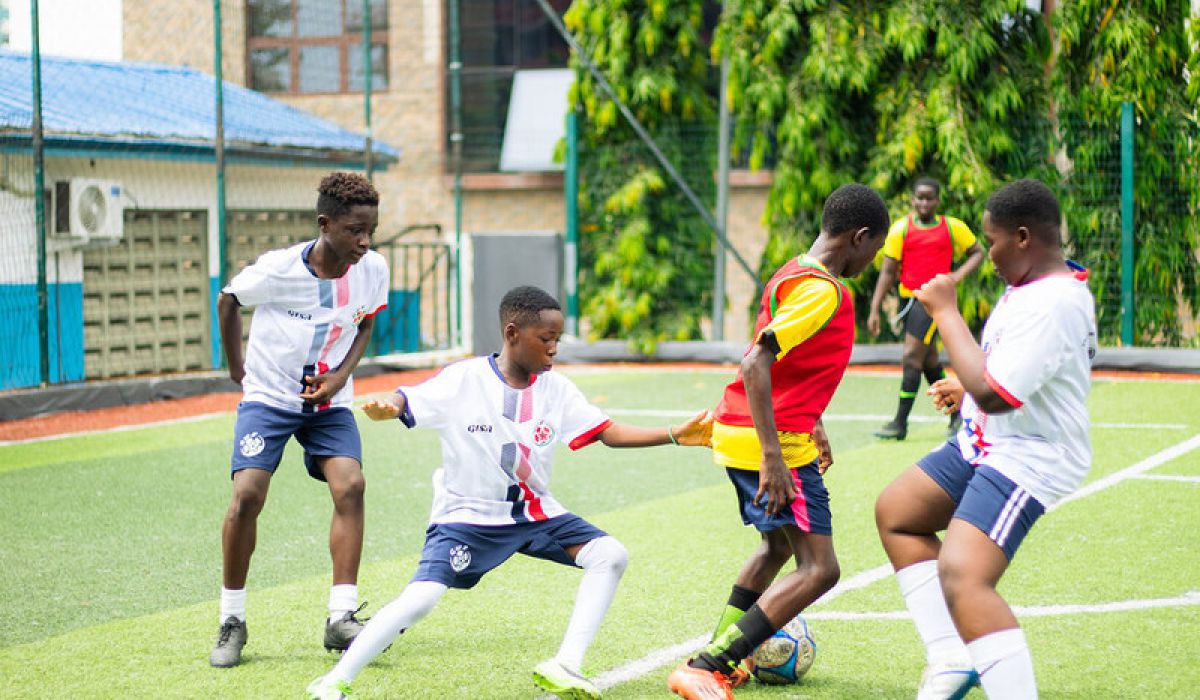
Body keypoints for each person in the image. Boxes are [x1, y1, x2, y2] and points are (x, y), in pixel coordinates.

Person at [307, 285, 713, 700]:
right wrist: (388, 407)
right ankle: (335, 681)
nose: (554, 349)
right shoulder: (465, 378)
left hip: (535, 514)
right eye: (546, 339)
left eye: (558, 339)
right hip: (466, 517)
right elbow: (405, 398)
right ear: (513, 332)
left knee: (610, 555)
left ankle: (566, 665)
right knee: (422, 598)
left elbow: (607, 432)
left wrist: (673, 435)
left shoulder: (557, 389)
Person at [667, 184, 891, 700]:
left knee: (774, 547)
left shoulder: (793, 270)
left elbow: (790, 363)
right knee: (819, 568)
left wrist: (813, 421)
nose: (871, 260)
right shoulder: (823, 289)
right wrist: (775, 456)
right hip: (770, 443)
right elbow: (755, 363)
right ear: (858, 237)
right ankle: (711, 664)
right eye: (874, 249)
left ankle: (718, 652)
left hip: (745, 430)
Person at [874, 179, 1096, 699]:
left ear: (1023, 237)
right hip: (987, 438)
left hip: (1030, 454)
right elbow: (1005, 372)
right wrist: (965, 387)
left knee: (963, 574)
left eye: (992, 242)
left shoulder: (1054, 302)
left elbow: (997, 393)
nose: (987, 254)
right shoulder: (1032, 286)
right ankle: (951, 658)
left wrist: (946, 312)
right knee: (899, 513)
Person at [209, 172, 390, 668]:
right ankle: (232, 620)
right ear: (324, 224)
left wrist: (338, 380)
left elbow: (367, 321)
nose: (364, 241)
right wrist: (235, 367)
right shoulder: (277, 270)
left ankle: (341, 617)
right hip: (268, 398)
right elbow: (228, 299)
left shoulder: (372, 267)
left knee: (350, 485)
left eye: (370, 229)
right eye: (355, 230)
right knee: (247, 495)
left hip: (327, 404)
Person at [868, 177, 985, 441]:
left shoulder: (952, 227)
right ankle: (959, 413)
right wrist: (875, 308)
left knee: (911, 358)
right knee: (929, 362)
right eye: (919, 197)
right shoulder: (901, 230)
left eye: (929, 198)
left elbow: (978, 252)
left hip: (931, 302)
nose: (924, 203)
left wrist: (956, 276)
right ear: (912, 200)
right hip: (907, 302)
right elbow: (887, 271)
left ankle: (900, 423)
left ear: (937, 201)